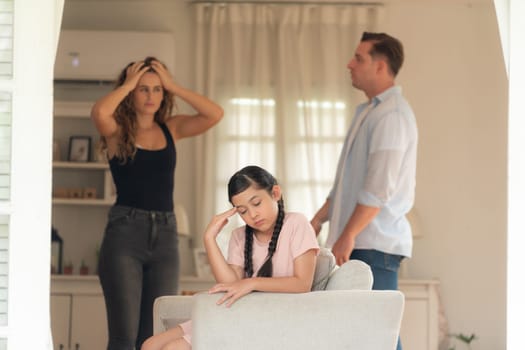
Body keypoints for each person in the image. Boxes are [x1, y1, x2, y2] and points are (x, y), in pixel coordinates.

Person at [91, 56, 224, 350]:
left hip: (166, 235)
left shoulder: (171, 129)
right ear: (130, 93)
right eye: (143, 89)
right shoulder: (116, 132)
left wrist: (173, 85)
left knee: (155, 332)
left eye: (157, 89)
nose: (151, 96)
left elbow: (215, 113)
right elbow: (99, 111)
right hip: (125, 233)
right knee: (124, 336)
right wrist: (127, 83)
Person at [310, 32, 417, 350]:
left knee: (380, 334)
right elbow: (346, 185)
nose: (350, 64)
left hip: (374, 246)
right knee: (360, 335)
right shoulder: (367, 113)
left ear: (381, 66)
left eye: (359, 58)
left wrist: (347, 235)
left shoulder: (392, 116)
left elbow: (377, 189)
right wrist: (317, 220)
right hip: (358, 243)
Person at [141, 165, 319, 350]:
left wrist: (252, 283)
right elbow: (230, 283)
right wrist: (209, 238)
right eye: (242, 211)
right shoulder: (239, 235)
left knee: (173, 348)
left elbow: (302, 284)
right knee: (149, 345)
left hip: (265, 316)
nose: (252, 214)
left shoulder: (297, 223)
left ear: (275, 193)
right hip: (235, 312)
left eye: (256, 203)